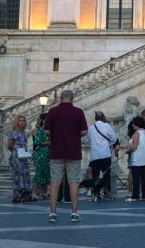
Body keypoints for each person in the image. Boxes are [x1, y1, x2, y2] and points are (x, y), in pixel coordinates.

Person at [44, 90, 87, 223]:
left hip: (56, 151)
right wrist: (74, 135)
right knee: (73, 182)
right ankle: (74, 213)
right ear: (72, 99)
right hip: (73, 152)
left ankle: (53, 213)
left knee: (54, 182)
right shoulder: (78, 112)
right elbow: (84, 131)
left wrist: (56, 134)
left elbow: (46, 131)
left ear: (60, 98)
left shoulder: (52, 112)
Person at [86, 112, 118, 201]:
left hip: (95, 155)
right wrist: (108, 144)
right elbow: (114, 138)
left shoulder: (91, 128)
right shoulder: (107, 126)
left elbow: (88, 139)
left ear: (95, 118)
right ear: (103, 117)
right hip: (105, 154)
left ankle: (96, 195)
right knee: (106, 175)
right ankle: (107, 194)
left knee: (95, 176)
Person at [8, 115, 33, 203]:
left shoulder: (23, 133)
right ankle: (17, 194)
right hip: (16, 156)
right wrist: (16, 151)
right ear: (16, 122)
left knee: (25, 174)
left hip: (23, 156)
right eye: (20, 121)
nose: (22, 122)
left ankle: (25, 193)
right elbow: (10, 145)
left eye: (23, 121)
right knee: (18, 175)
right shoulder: (13, 132)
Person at [125, 117, 145, 201]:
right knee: (144, 178)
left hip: (137, 159)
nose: (132, 125)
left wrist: (127, 151)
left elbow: (134, 147)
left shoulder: (136, 133)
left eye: (133, 123)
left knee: (136, 178)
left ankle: (135, 196)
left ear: (136, 124)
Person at [31, 115, 51, 200]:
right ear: (43, 120)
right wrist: (47, 143)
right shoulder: (41, 130)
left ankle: (44, 192)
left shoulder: (51, 130)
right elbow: (37, 142)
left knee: (46, 173)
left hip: (49, 154)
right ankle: (34, 192)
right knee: (39, 173)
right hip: (42, 154)